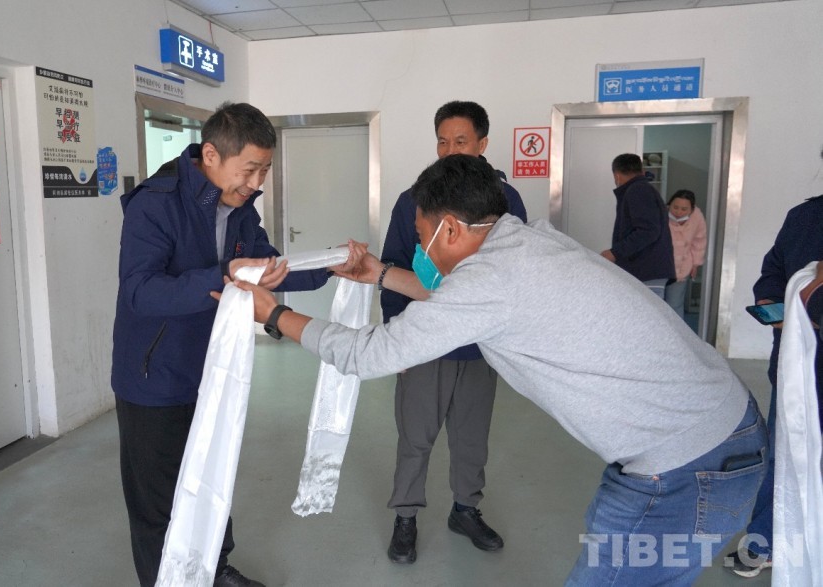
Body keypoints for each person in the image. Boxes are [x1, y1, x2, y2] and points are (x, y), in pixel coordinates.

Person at [237, 154, 768, 585]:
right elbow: (459, 300)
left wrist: (276, 315)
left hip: (687, 465)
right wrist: (379, 274)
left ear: (449, 228)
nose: (420, 248)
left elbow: (367, 354)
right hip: (715, 429)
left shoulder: (489, 281)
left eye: (422, 235)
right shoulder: (525, 239)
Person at [111, 102, 352, 587]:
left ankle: (215, 569)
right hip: (153, 377)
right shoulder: (155, 204)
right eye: (250, 169)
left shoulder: (240, 208)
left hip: (214, 368)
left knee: (211, 477)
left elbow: (267, 269)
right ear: (211, 155)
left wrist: (331, 265)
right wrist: (222, 274)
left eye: (265, 169)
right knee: (159, 502)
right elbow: (140, 291)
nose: (256, 182)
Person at [379, 100, 528, 563]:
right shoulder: (412, 200)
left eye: (460, 141)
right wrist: (397, 341)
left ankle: (465, 509)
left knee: (471, 438)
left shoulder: (506, 201)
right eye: (442, 141)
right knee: (415, 436)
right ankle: (406, 517)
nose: (449, 150)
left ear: (482, 144)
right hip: (425, 341)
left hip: (481, 345)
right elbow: (392, 269)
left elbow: (516, 273)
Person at [724, 193, 823, 578]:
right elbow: (774, 269)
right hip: (797, 364)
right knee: (783, 450)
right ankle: (765, 541)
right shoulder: (805, 216)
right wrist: (771, 300)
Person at [600, 153, 675, 298]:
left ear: (617, 176)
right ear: (642, 171)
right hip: (649, 270)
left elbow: (648, 231)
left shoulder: (638, 190)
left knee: (644, 313)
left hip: (646, 271)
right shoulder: (643, 189)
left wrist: (615, 252)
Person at [663, 189, 707, 320]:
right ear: (669, 205)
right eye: (675, 207)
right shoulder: (661, 214)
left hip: (682, 267)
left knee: (675, 304)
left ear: (691, 210)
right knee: (654, 303)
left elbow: (699, 242)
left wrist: (695, 264)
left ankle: (675, 332)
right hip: (659, 267)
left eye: (684, 209)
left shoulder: (697, 218)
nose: (678, 212)